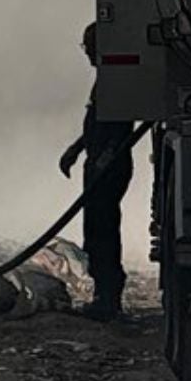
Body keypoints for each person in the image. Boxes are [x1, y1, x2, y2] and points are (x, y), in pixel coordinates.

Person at [58, 23, 133, 321]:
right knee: (96, 229)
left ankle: (109, 297)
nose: (87, 54)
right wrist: (76, 151)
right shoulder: (105, 80)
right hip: (99, 164)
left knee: (103, 230)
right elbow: (96, 124)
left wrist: (104, 159)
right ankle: (104, 294)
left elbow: (120, 126)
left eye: (90, 48)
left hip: (109, 168)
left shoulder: (116, 82)